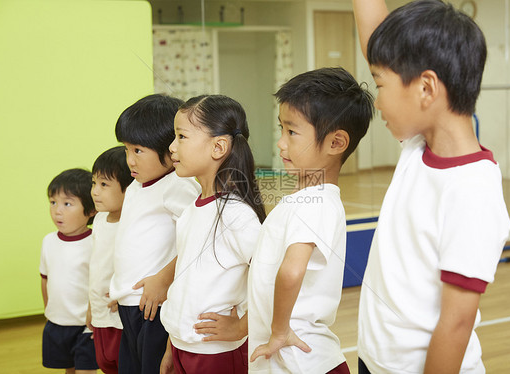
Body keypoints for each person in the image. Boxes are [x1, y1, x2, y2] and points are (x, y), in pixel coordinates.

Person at [352, 1, 510, 373]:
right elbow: (375, 36)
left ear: (426, 88)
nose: (377, 102)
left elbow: (456, 325)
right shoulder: (418, 146)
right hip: (375, 361)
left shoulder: (472, 190)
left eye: (379, 85)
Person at [247, 67, 374, 373]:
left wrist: (278, 331)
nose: (280, 143)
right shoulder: (306, 199)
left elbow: (291, 272)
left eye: (291, 132)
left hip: (302, 360)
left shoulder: (314, 202)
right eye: (282, 129)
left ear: (336, 143)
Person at [158, 95, 266, 374]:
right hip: (184, 348)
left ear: (218, 146)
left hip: (216, 354)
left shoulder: (236, 215)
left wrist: (242, 326)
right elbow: (186, 287)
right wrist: (174, 343)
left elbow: (272, 276)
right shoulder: (192, 211)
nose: (171, 147)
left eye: (181, 136)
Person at [109, 94, 201, 373]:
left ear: (169, 149)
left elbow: (197, 241)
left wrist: (163, 279)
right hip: (130, 303)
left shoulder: (179, 185)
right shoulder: (136, 187)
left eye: (138, 150)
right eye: (126, 150)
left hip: (154, 304)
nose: (129, 160)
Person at [40, 168, 98, 374]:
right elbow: (45, 279)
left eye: (67, 203)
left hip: (86, 325)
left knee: (85, 370)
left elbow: (99, 285)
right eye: (53, 202)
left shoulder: (96, 242)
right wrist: (49, 312)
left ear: (91, 210)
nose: (57, 210)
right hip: (58, 322)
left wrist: (97, 321)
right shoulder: (49, 241)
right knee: (69, 369)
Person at [86, 146, 134, 374]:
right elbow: (96, 266)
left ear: (129, 189)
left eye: (104, 185)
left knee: (122, 364)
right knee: (104, 363)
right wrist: (90, 308)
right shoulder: (100, 220)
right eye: (94, 183)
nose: (95, 191)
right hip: (99, 313)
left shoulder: (132, 224)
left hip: (119, 316)